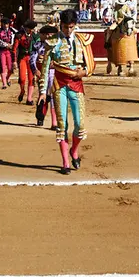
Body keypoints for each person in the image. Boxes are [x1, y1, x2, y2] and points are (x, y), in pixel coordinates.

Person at [38, 9, 96, 175]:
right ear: (60, 25)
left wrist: (83, 73)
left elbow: (91, 65)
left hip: (76, 83)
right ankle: (65, 162)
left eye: (71, 27)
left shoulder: (82, 40)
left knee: (80, 124)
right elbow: (44, 68)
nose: (68, 30)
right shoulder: (53, 41)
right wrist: (43, 91)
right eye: (65, 27)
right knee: (62, 125)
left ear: (75, 25)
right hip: (59, 84)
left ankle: (74, 151)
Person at [31, 25, 59, 129]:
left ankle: (54, 122)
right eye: (46, 34)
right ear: (41, 35)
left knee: (53, 96)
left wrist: (55, 64)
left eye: (50, 34)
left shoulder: (57, 46)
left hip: (54, 73)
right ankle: (40, 117)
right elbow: (32, 59)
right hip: (42, 73)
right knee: (42, 95)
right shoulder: (37, 45)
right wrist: (35, 70)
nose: (48, 36)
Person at [13, 20, 38, 105]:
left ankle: (29, 98)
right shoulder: (19, 35)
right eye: (28, 28)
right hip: (22, 58)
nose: (30, 30)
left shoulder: (34, 36)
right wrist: (14, 61)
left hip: (31, 58)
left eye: (31, 28)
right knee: (22, 78)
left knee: (31, 78)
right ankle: (22, 90)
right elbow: (15, 49)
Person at [0, 17, 15, 89]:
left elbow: (15, 37)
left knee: (10, 68)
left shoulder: (12, 30)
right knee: (3, 67)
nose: (5, 25)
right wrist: (7, 45)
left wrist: (12, 45)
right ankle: (4, 84)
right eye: (4, 24)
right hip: (2, 51)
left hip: (9, 51)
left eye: (7, 24)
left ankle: (7, 78)